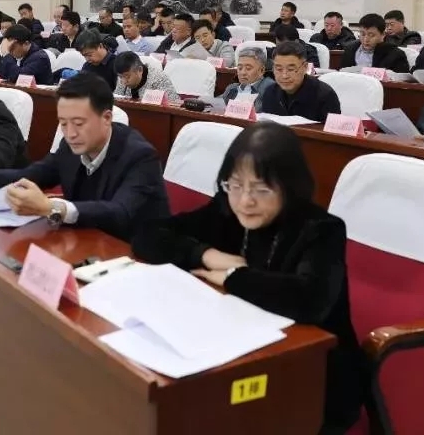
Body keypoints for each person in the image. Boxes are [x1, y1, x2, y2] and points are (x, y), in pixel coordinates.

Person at [131, 123, 365, 435]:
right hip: (239, 355)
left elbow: (309, 299)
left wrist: (232, 277)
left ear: (289, 186)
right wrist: (205, 254)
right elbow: (147, 235)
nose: (245, 201)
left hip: (315, 377)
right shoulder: (227, 209)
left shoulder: (321, 229)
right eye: (236, 185)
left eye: (261, 189)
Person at [0, 74, 170, 241]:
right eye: (63, 123)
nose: (70, 133)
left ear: (106, 118)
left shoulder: (140, 156)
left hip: (135, 253)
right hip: (87, 240)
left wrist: (52, 208)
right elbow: (38, 173)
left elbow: (119, 212)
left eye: (78, 123)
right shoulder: (70, 145)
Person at [259, 41, 341, 121]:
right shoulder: (270, 92)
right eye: (279, 69)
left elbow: (333, 129)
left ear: (305, 67)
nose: (284, 76)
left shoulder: (325, 95)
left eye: (291, 69)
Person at [339, 13, 410, 73]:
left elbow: (401, 80)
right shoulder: (350, 49)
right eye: (362, 34)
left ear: (383, 34)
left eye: (371, 35)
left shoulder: (395, 54)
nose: (366, 39)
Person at [113, 52, 181, 105]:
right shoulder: (122, 77)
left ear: (140, 70)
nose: (124, 81)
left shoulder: (159, 79)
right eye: (120, 77)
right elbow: (117, 100)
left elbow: (172, 104)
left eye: (127, 76)